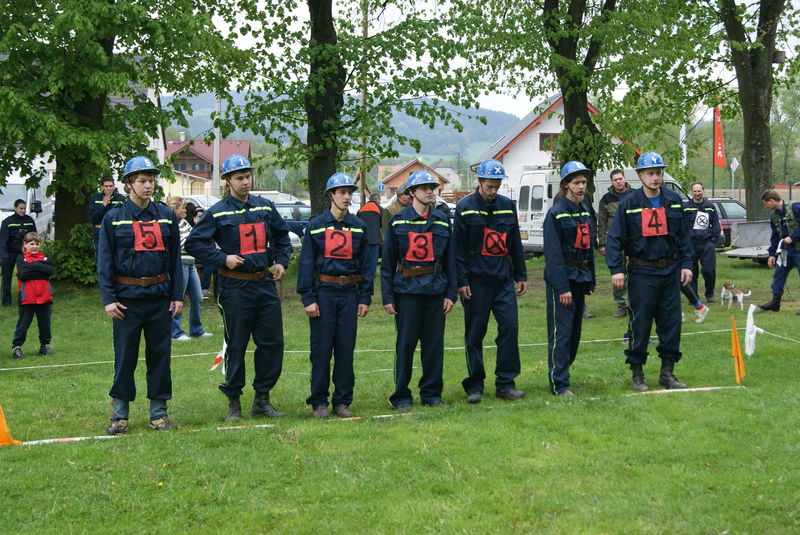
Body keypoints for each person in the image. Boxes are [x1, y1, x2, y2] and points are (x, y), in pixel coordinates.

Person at [186, 154, 291, 422]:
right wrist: (223, 259)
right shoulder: (218, 211)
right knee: (236, 344)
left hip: (264, 283)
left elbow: (282, 234)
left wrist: (281, 260)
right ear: (228, 181)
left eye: (248, 176)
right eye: (240, 177)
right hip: (234, 287)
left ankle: (262, 399)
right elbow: (194, 243)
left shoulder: (265, 206)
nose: (246, 181)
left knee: (272, 342)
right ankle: (233, 401)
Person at [97, 156, 183, 434]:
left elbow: (175, 260)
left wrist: (177, 296)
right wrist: (109, 299)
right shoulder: (113, 218)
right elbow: (104, 262)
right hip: (126, 301)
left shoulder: (166, 216)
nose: (148, 186)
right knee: (125, 357)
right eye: (142, 181)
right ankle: (119, 415)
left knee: (160, 355)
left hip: (159, 298)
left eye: (151, 180)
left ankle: (158, 414)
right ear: (129, 184)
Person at [605, 151, 692, 391]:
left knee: (671, 322)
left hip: (669, 270)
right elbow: (615, 238)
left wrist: (686, 264)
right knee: (640, 323)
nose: (655, 177)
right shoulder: (629, 203)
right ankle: (637, 373)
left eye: (658, 173)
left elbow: (684, 236)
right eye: (651, 173)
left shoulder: (673, 200)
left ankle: (667, 373)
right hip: (642, 271)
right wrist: (616, 269)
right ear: (640, 175)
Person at [297, 173, 373, 418]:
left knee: (345, 350)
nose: (347, 197)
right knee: (321, 351)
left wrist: (364, 298)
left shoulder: (359, 227)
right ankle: (319, 402)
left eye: (349, 192)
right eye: (342, 192)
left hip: (349, 293)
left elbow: (366, 265)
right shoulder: (316, 225)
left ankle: (342, 401)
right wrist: (308, 298)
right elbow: (306, 264)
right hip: (324, 293)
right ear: (331, 195)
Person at [453, 158, 527, 403]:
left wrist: (521, 274)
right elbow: (458, 249)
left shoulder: (507, 206)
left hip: (503, 280)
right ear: (480, 181)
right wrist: (461, 281)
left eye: (497, 186)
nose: (493, 190)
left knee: (510, 328)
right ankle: (475, 385)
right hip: (476, 282)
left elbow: (515, 243)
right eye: (490, 186)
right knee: (475, 334)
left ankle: (505, 383)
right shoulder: (465, 207)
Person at [381, 171, 457, 410]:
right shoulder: (398, 221)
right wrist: (387, 296)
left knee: (434, 347)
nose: (430, 191)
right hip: (407, 292)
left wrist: (451, 293)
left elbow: (451, 260)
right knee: (405, 346)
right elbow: (387, 262)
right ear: (412, 192)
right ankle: (401, 396)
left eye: (432, 188)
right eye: (424, 188)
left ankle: (432, 394)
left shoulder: (442, 220)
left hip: (435, 291)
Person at [543, 161, 595, 397]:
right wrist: (562, 287)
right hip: (563, 280)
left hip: (581, 277)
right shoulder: (555, 214)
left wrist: (590, 279)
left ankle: (564, 373)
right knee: (561, 333)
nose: (581, 186)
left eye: (583, 182)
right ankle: (559, 383)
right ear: (566, 185)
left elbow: (588, 247)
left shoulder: (584, 210)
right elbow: (553, 255)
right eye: (576, 182)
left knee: (575, 333)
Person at [165, 197, 212, 342]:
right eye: (182, 208)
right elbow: (177, 244)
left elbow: (193, 240)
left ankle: (196, 329)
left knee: (198, 297)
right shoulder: (169, 224)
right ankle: (175, 332)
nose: (185, 210)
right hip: (180, 264)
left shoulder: (185, 223)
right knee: (178, 297)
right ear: (174, 209)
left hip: (191, 263)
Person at [11, 232, 53, 359]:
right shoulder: (21, 258)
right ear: (25, 244)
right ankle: (16, 347)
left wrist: (33, 266)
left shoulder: (45, 258)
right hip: (27, 298)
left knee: (45, 324)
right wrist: (41, 270)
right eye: (31, 244)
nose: (35, 247)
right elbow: (23, 275)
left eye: (37, 244)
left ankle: (45, 345)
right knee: (23, 324)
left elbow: (50, 271)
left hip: (45, 297)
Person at [759, 189, 800, 313]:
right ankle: (775, 303)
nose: (766, 207)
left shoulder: (795, 207)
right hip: (786, 251)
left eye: (766, 204)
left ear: (772, 201)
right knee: (779, 274)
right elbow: (775, 236)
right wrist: (772, 254)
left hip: (798, 249)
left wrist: (793, 237)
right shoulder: (774, 216)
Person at [597, 169, 631, 318]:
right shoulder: (606, 199)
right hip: (614, 242)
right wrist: (602, 244)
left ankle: (635, 302)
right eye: (615, 179)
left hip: (633, 241)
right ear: (611, 182)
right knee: (618, 273)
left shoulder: (635, 195)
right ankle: (621, 305)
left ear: (625, 179)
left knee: (635, 272)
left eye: (620, 178)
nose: (618, 181)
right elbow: (602, 223)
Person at [682, 182, 720, 303]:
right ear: (691, 192)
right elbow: (682, 226)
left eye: (699, 191)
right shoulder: (686, 207)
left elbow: (716, 225)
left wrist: (713, 241)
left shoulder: (710, 206)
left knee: (709, 270)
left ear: (703, 191)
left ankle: (709, 294)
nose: (697, 193)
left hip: (707, 243)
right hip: (691, 243)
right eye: (695, 191)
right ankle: (693, 297)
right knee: (692, 271)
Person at [0, 199, 36, 306]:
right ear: (15, 208)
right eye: (21, 208)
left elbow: (34, 237)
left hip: (24, 253)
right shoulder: (7, 222)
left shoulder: (29, 220)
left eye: (24, 208)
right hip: (9, 253)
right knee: (6, 277)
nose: (23, 210)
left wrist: (32, 252)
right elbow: (2, 241)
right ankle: (6, 301)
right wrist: (3, 256)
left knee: (25, 276)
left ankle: (24, 299)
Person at [88, 177, 125, 251]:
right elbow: (93, 219)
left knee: (117, 256)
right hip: (100, 232)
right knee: (101, 256)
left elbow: (123, 217)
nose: (108, 188)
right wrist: (103, 205)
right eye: (106, 186)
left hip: (116, 232)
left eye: (110, 186)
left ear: (114, 187)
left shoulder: (120, 199)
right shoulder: (95, 199)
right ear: (102, 187)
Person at [357, 192, 384, 276]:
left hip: (362, 239)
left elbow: (357, 222)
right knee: (373, 260)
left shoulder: (361, 209)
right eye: (380, 200)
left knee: (363, 259)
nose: (380, 202)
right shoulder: (379, 209)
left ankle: (362, 275)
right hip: (374, 239)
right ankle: (371, 275)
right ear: (377, 200)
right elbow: (383, 223)